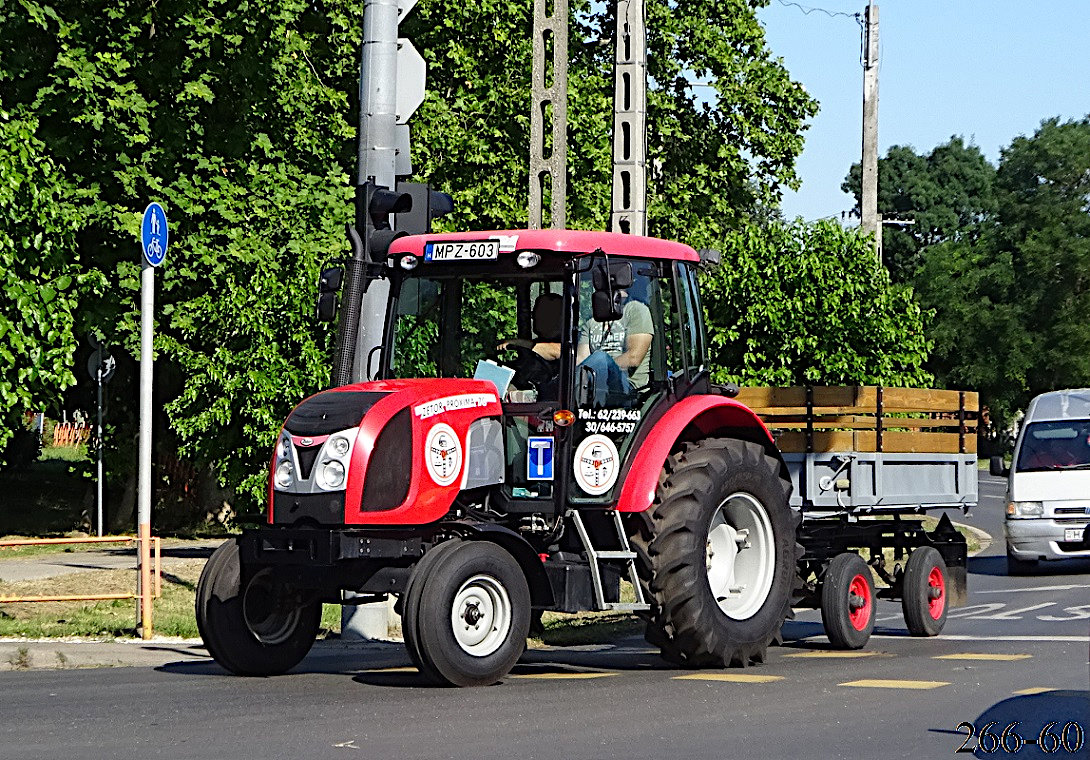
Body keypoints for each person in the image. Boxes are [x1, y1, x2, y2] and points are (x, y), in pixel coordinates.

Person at [577, 278, 653, 406]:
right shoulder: (592, 321)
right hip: (594, 387)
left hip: (628, 389)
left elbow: (633, 358)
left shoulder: (636, 310)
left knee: (600, 358)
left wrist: (600, 367)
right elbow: (581, 360)